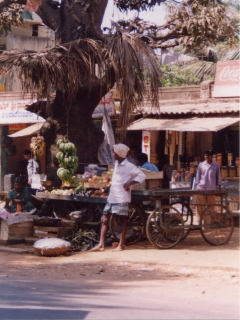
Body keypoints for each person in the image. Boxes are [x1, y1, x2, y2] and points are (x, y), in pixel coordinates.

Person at [90, 143, 146, 252]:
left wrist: (129, 183)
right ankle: (101, 245)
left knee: (123, 220)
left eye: (114, 152)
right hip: (113, 196)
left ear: (119, 154)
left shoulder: (129, 166)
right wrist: (107, 187)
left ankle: (121, 245)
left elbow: (142, 175)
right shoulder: (116, 164)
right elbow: (115, 179)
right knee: (105, 219)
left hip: (121, 197)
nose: (113, 154)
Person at [195, 150, 222, 223]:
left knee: (211, 206)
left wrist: (219, 185)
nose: (206, 157)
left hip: (211, 189)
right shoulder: (201, 165)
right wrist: (197, 185)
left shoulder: (216, 165)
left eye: (208, 155)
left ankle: (209, 222)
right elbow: (198, 176)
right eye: (205, 155)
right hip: (201, 188)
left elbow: (218, 176)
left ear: (211, 156)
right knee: (200, 206)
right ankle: (199, 221)